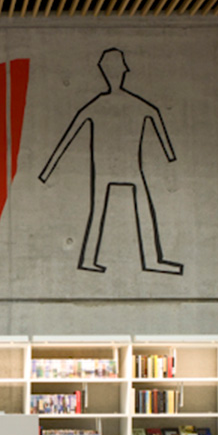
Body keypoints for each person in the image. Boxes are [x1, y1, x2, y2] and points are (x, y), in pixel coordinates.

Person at [39, 48, 183, 275]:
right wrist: (169, 155)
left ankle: (97, 260)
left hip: (117, 168)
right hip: (122, 168)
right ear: (123, 70)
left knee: (107, 210)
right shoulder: (132, 104)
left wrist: (48, 171)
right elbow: (155, 118)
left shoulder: (102, 105)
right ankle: (147, 260)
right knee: (132, 208)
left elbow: (68, 137)